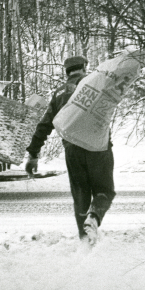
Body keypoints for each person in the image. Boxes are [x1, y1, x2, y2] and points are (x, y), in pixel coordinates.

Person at [25, 55, 115, 243]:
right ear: (83, 68)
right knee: (105, 191)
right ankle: (94, 217)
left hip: (73, 150)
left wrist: (33, 154)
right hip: (98, 149)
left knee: (81, 196)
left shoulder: (59, 94)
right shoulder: (94, 85)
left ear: (67, 72)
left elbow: (44, 125)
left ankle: (85, 241)